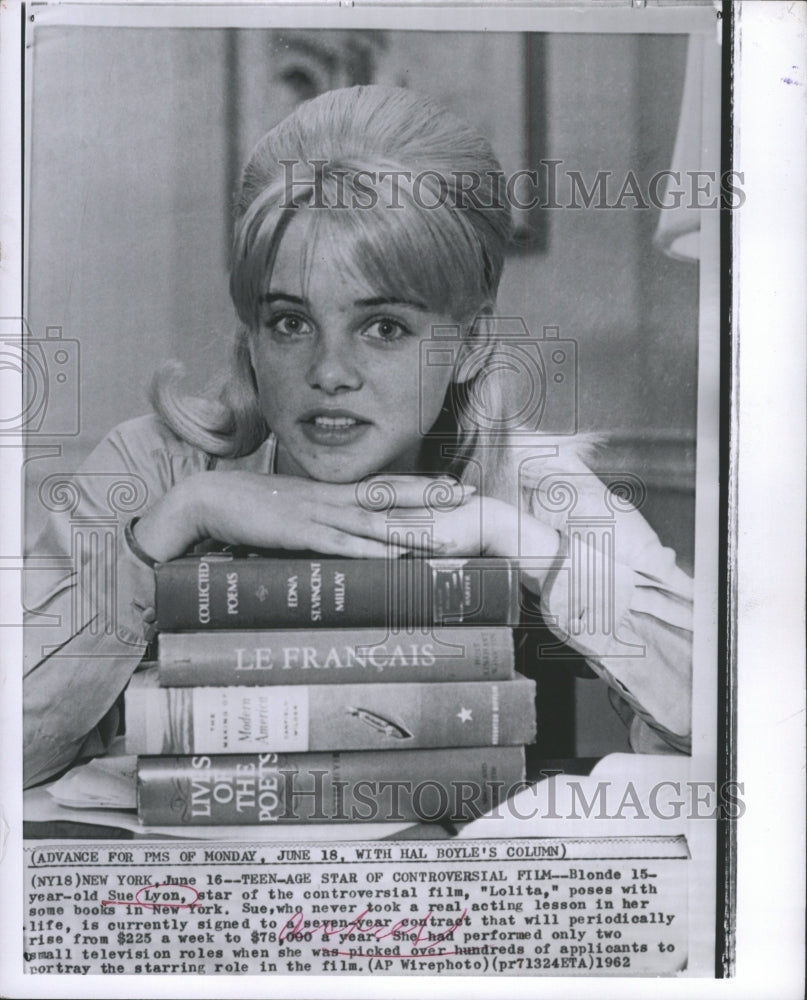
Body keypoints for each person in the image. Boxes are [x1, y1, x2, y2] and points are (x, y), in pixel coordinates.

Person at [23, 85, 692, 789]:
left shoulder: (528, 484)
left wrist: (517, 539)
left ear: (466, 345)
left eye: (384, 328)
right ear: (251, 338)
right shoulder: (156, 464)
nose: (330, 372)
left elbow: (742, 734)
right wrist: (175, 521)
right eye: (290, 322)